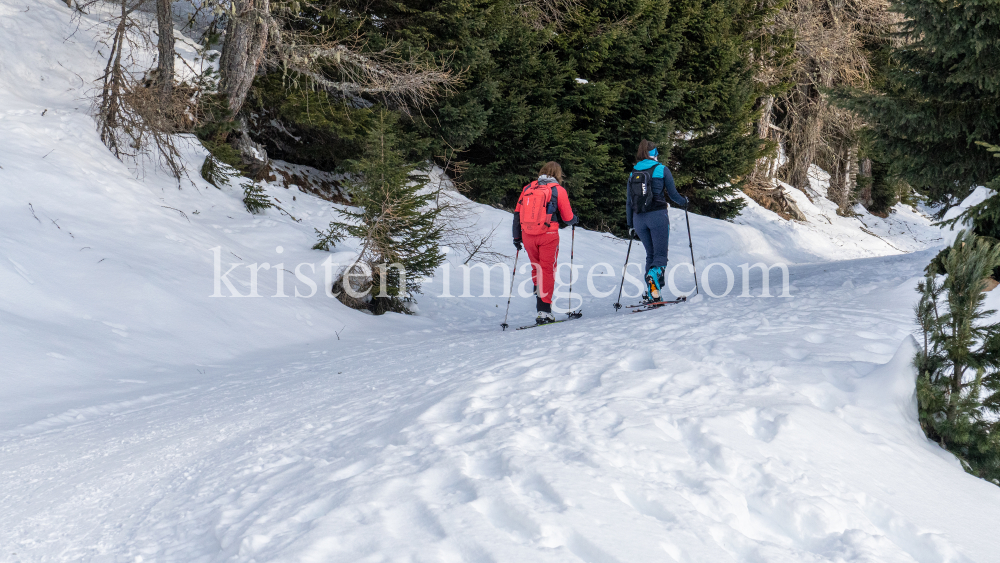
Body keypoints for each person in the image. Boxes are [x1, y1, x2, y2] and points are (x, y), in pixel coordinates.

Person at [513, 161, 578, 324]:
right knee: (547, 270)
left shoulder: (528, 189)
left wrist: (516, 237)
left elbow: (517, 214)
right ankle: (544, 311)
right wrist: (575, 220)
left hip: (528, 235)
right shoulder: (558, 190)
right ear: (558, 174)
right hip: (548, 235)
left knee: (536, 267)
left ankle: (539, 296)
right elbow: (567, 218)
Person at [626, 140, 688, 302]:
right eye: (657, 151)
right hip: (657, 217)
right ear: (653, 154)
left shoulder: (633, 172)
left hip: (639, 219)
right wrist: (684, 201)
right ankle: (653, 277)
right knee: (660, 255)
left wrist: (630, 224)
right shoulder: (662, 169)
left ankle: (653, 292)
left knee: (651, 255)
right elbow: (673, 195)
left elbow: (629, 201)